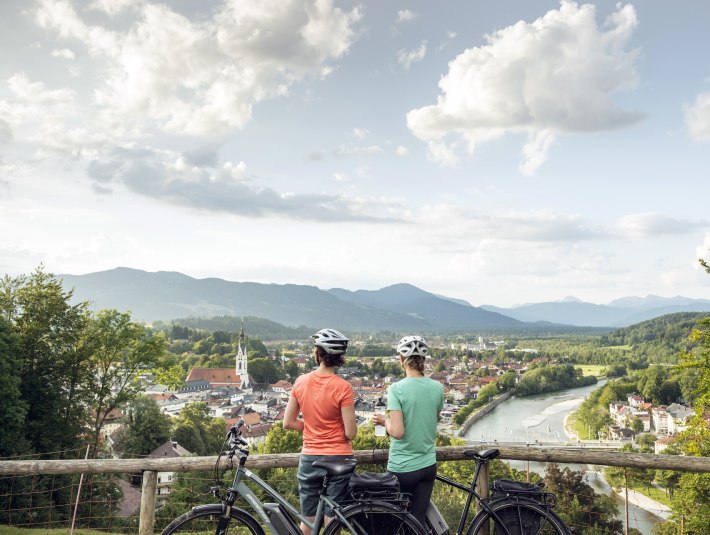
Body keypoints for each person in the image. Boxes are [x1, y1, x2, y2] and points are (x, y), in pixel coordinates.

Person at [283, 328, 357, 535]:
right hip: (339, 459)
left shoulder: (300, 382)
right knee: (332, 519)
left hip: (310, 457)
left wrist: (312, 428)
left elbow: (288, 422)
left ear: (318, 353)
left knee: (307, 520)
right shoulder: (343, 387)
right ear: (339, 357)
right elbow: (350, 433)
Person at [373, 335, 444, 528]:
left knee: (390, 523)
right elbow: (434, 417)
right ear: (423, 361)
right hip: (428, 465)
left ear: (402, 360)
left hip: (402, 467)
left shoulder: (397, 388)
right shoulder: (437, 387)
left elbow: (397, 432)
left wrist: (385, 420)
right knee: (417, 522)